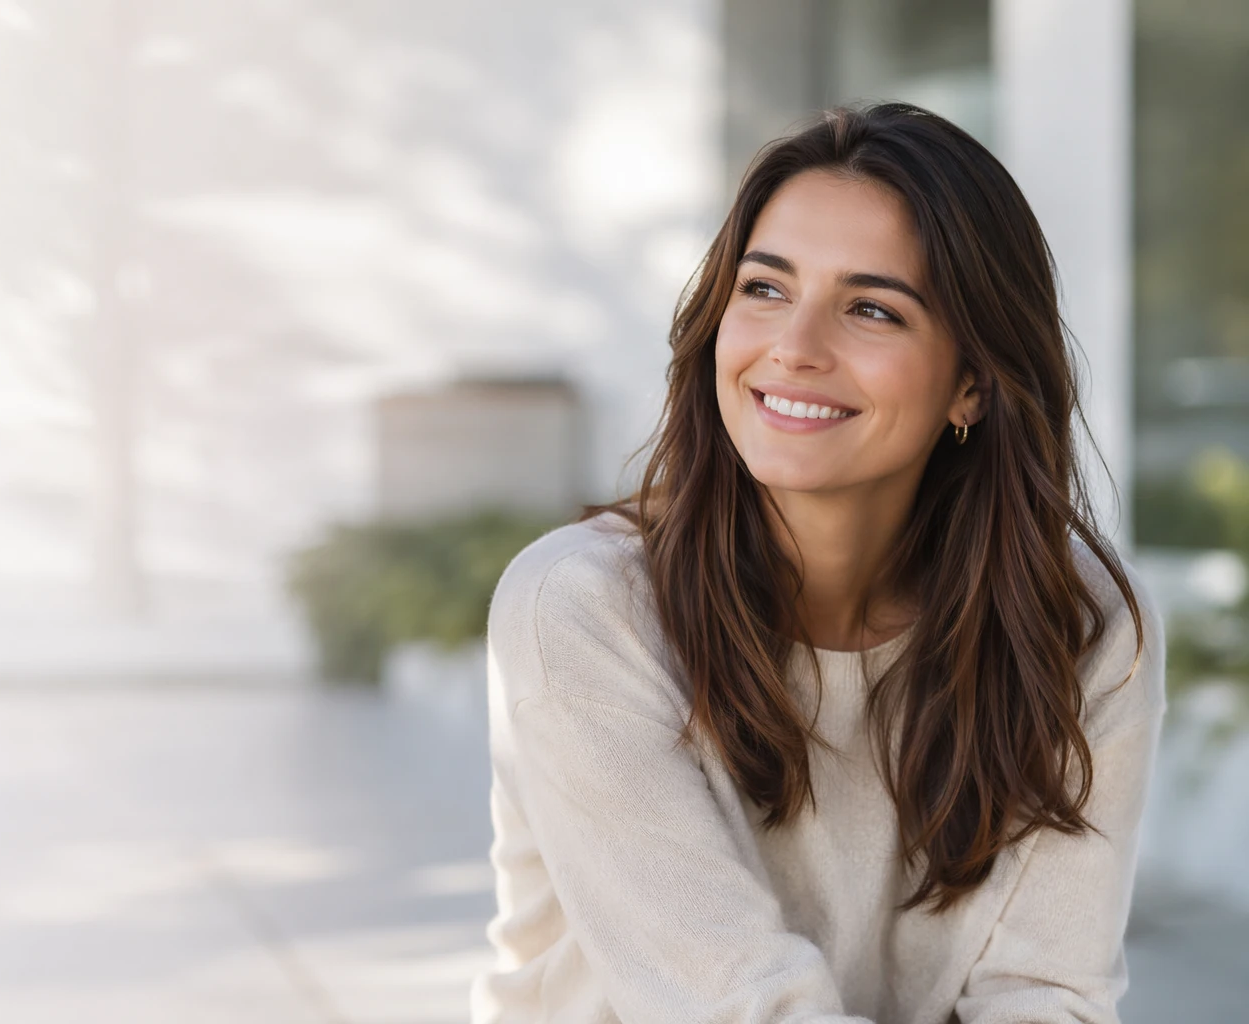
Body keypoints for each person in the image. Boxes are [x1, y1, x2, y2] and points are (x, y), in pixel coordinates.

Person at [470, 102, 1166, 1024]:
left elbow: (1047, 995)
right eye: (764, 289)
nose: (793, 349)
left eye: (871, 309)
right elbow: (737, 1008)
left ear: (972, 383)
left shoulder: (1078, 620)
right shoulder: (583, 608)